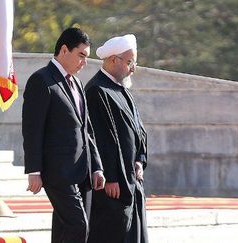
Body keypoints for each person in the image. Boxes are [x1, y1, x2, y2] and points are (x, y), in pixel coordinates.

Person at [22, 27, 106, 243]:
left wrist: (96, 166)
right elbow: (32, 129)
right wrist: (34, 170)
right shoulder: (41, 80)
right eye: (81, 55)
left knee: (64, 231)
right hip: (58, 173)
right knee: (78, 227)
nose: (84, 63)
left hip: (82, 172)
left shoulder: (77, 83)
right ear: (64, 50)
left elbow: (87, 129)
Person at [85, 34, 148, 243]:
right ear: (113, 60)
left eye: (134, 63)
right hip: (114, 185)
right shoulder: (97, 90)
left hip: (131, 180)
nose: (133, 69)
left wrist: (140, 159)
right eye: (129, 62)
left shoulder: (123, 90)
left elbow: (139, 130)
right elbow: (100, 138)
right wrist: (111, 176)